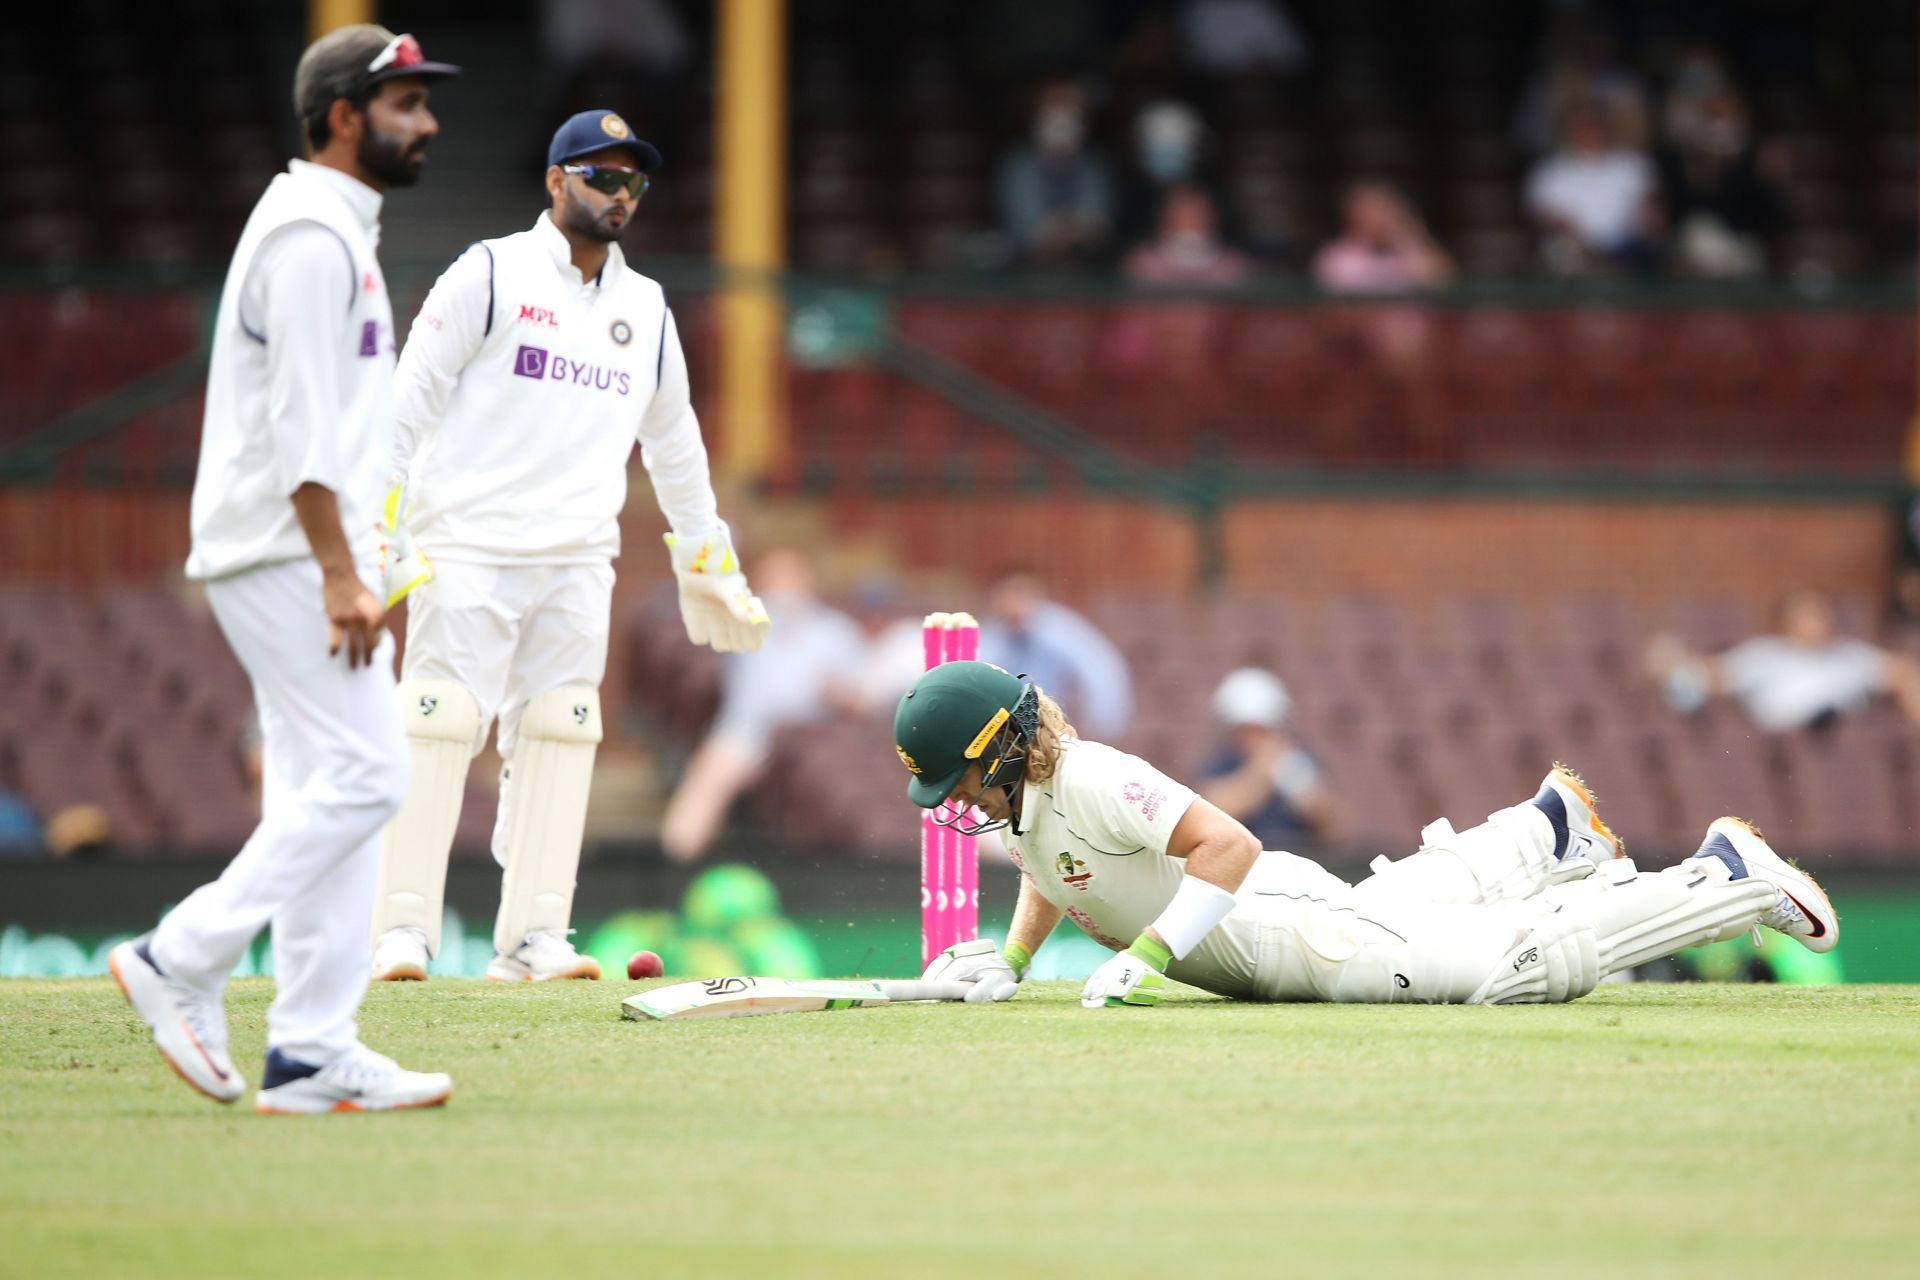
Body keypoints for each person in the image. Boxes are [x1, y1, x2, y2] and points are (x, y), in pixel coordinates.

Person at [108, 25, 460, 1113]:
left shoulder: (330, 228)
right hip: (281, 553)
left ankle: (310, 1047)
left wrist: (357, 562)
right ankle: (181, 955)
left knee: (332, 785)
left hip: (293, 551)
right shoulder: (311, 238)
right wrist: (341, 573)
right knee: (372, 777)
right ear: (342, 116)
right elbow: (308, 432)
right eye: (403, 103)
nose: (428, 122)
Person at [367, 109, 770, 982]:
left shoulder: (647, 307)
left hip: (579, 558)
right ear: (555, 181)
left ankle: (534, 939)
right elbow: (409, 402)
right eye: (600, 176)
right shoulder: (488, 272)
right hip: (467, 542)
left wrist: (710, 561)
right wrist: (380, 521)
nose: (619, 194)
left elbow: (676, 446)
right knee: (439, 724)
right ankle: (400, 932)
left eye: (632, 181)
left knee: (559, 728)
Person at [896, 662, 1836, 1009]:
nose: (961, 799)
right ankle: (1549, 829)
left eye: (963, 776)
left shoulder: (1091, 774)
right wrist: (1015, 962)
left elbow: (1229, 847)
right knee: (1397, 913)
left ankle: (1727, 877)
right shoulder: (1026, 803)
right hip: (1261, 940)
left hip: (1282, 930)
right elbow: (1058, 871)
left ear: (1004, 746)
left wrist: (1146, 957)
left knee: (1501, 973)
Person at [659, 549, 863, 863]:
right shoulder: (742, 623)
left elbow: (859, 699)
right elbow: (705, 598)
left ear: (808, 582)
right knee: (710, 774)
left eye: (790, 578)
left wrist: (837, 693)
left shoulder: (836, 631)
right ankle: (672, 869)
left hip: (814, 736)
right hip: (746, 734)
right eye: (772, 580)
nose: (782, 588)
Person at [1647, 589, 1920, 732]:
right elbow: (1711, 676)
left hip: (1844, 742)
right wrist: (1672, 664)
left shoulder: (1849, 655)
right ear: (1787, 621)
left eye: (1822, 614)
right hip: (1784, 749)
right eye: (1808, 615)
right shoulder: (1767, 655)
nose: (1819, 623)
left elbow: (1901, 671)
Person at [977, 570, 1133, 740]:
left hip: (1058, 726)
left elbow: (1101, 674)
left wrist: (1103, 724)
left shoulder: (1062, 630)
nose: (1012, 602)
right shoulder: (991, 634)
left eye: (1019, 592)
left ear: (1038, 595)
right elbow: (976, 674)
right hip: (1006, 729)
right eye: (1005, 594)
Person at [1195, 668, 1335, 846]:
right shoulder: (1220, 763)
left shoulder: (1297, 759)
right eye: (1244, 730)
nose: (1252, 738)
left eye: (1261, 730)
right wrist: (1259, 774)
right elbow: (1209, 816)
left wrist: (1300, 785)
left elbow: (1331, 824)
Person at [995, 80, 1115, 269]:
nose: (1060, 131)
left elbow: (1097, 227)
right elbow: (1024, 230)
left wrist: (1071, 231)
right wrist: (1061, 232)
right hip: (1027, 269)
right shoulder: (1018, 166)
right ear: (1036, 125)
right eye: (1052, 122)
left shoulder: (1094, 167)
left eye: (1068, 123)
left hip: (1086, 267)